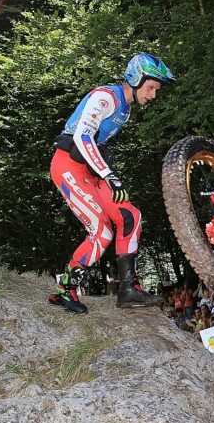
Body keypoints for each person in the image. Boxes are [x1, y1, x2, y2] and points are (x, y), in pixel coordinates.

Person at [49, 53, 174, 314]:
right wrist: (109, 175)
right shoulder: (106, 97)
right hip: (68, 165)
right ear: (135, 78)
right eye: (150, 87)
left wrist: (104, 171)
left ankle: (128, 288)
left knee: (131, 216)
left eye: (156, 90)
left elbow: (96, 144)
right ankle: (65, 289)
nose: (153, 95)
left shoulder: (126, 110)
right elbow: (83, 137)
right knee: (101, 231)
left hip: (92, 171)